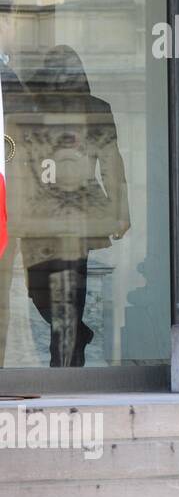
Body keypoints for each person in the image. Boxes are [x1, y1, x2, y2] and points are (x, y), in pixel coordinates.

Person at [12, 46, 130, 367]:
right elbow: (19, 165)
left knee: (70, 296)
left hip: (79, 217)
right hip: (36, 218)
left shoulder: (95, 111)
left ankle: (64, 367)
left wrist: (121, 212)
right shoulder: (30, 114)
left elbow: (111, 164)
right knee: (38, 292)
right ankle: (77, 334)